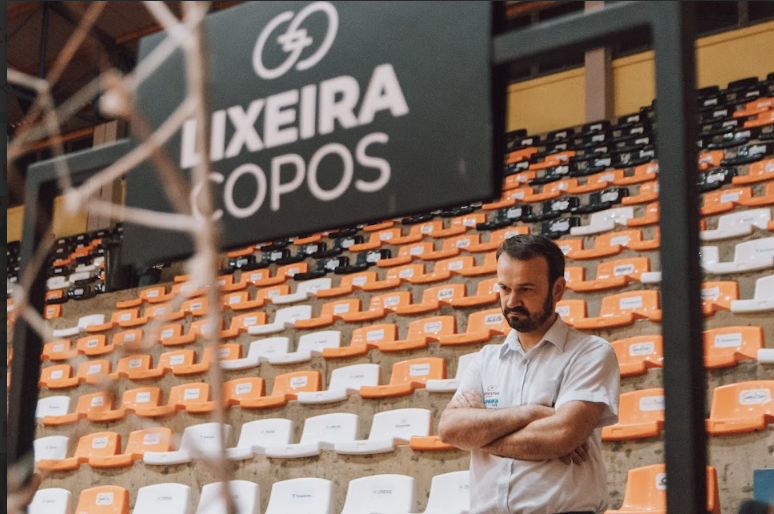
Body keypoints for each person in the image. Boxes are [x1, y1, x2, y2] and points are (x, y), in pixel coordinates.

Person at [438, 234, 620, 514]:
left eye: (526, 289)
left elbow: (562, 434)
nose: (512, 301)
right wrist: (534, 413)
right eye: (504, 288)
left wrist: (480, 436)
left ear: (557, 290)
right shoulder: (485, 360)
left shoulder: (591, 352)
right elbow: (450, 429)